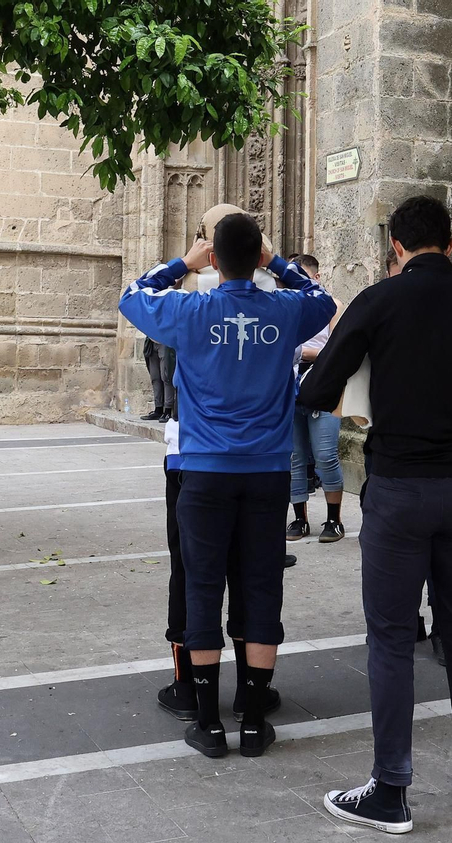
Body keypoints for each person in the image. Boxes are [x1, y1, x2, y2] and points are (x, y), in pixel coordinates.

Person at [301, 196, 452, 833]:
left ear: (396, 248)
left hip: (401, 488)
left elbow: (317, 389)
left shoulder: (379, 302)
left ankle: (390, 788)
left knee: (390, 639)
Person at [121, 212, 335, 760]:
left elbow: (132, 295)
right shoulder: (286, 309)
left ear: (213, 258)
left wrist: (183, 264)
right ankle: (255, 716)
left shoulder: (190, 309)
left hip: (205, 471)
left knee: (202, 585)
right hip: (266, 473)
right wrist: (277, 263)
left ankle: (209, 723)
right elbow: (324, 300)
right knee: (261, 585)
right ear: (258, 253)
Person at [154, 417, 283, 723]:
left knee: (190, 572)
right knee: (251, 574)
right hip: (259, 456)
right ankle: (248, 690)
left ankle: (187, 687)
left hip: (192, 453)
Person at [288, 254, 346, 544]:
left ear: (316, 277)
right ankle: (300, 519)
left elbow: (337, 351)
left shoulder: (332, 306)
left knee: (325, 455)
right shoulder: (287, 305)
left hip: (323, 385)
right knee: (295, 456)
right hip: (290, 386)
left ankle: (334, 519)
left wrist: (302, 353)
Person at [141, 338, 176, 422]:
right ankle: (158, 409)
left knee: (166, 376)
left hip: (164, 340)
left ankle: (168, 410)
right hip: (151, 341)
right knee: (155, 377)